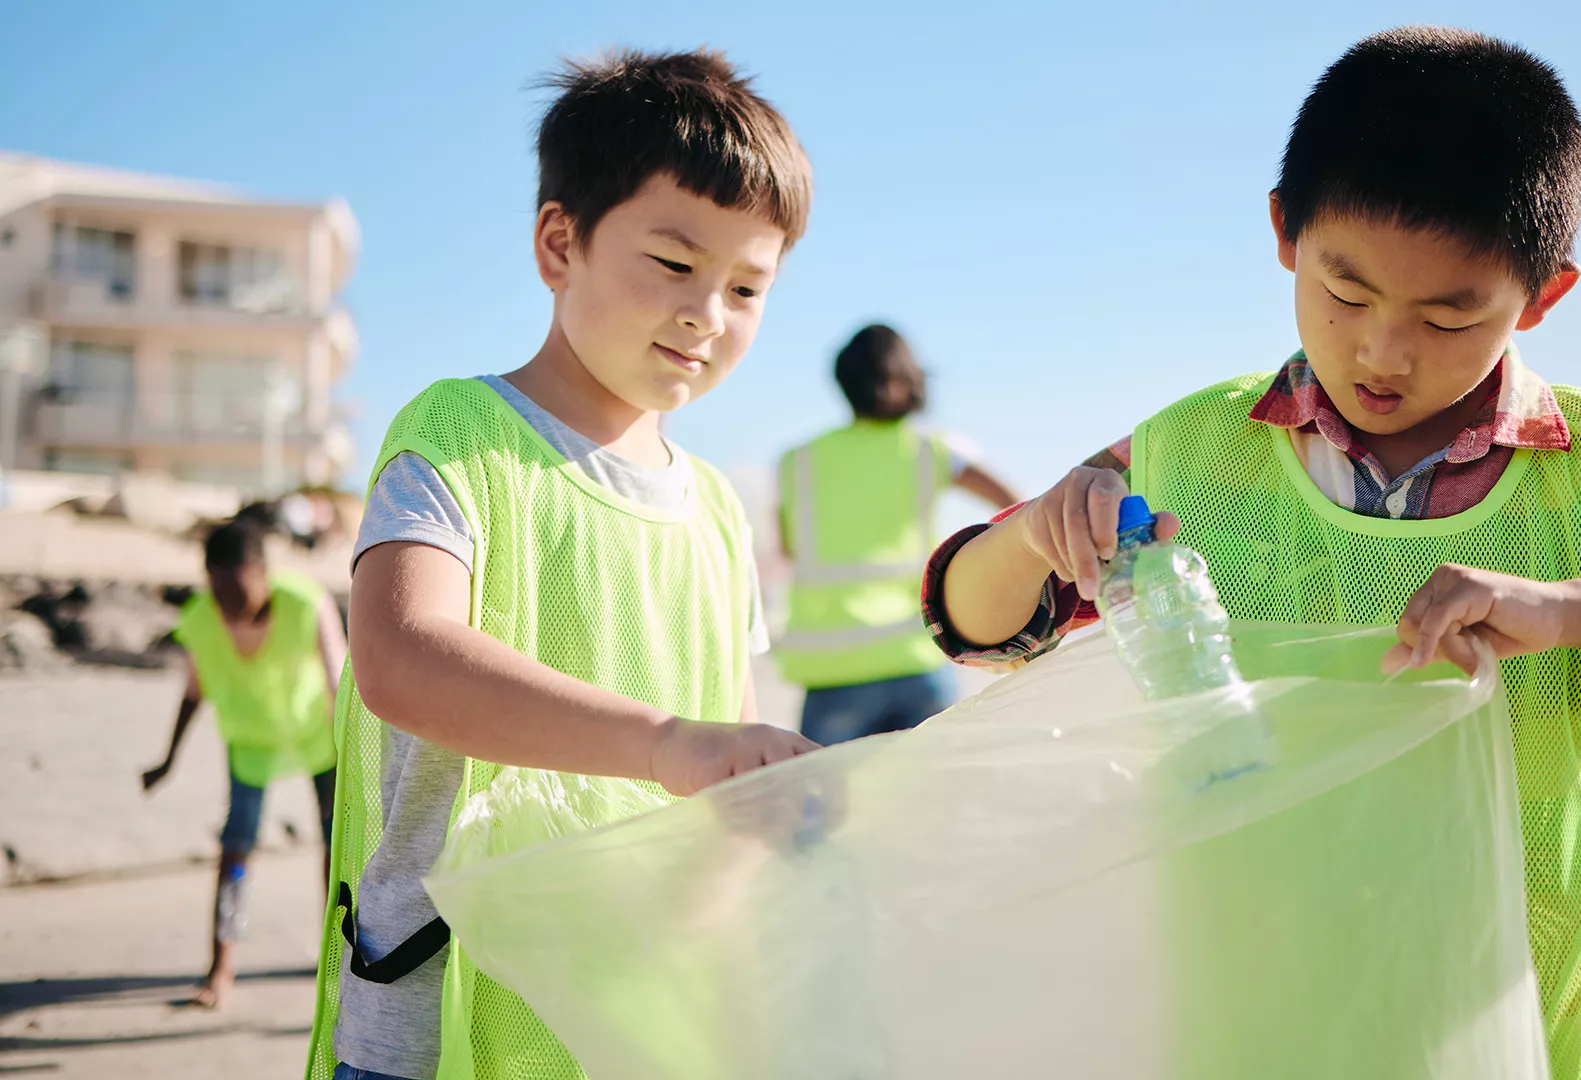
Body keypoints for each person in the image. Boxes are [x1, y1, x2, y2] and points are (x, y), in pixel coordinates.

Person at [925, 27, 1581, 1080]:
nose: (1382, 351)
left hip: (1532, 1027)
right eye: (1346, 294)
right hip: (1258, 1019)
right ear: (1285, 231)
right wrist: (1032, 531)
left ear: (1543, 296)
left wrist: (1571, 611)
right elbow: (970, 625)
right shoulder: (1188, 451)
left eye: (1448, 314)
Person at [307, 49, 819, 1080]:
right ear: (559, 242)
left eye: (747, 288)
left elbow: (723, 777)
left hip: (630, 1021)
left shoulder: (718, 511)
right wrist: (667, 743)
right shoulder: (459, 433)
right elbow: (403, 658)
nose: (706, 315)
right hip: (438, 1019)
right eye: (675, 265)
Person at [776, 324, 1018, 745]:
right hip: (916, 656)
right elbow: (1016, 507)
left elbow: (789, 547)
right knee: (932, 800)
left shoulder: (797, 461)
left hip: (833, 668)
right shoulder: (934, 449)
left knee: (823, 806)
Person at [142, 517, 344, 1009]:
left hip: (318, 739)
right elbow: (193, 693)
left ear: (262, 573)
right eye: (217, 592)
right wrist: (168, 759)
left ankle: (334, 955)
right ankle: (221, 967)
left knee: (336, 844)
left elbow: (342, 683)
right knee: (235, 853)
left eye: (237, 592)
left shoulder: (305, 602)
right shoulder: (200, 618)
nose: (227, 606)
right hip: (250, 745)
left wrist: (363, 749)